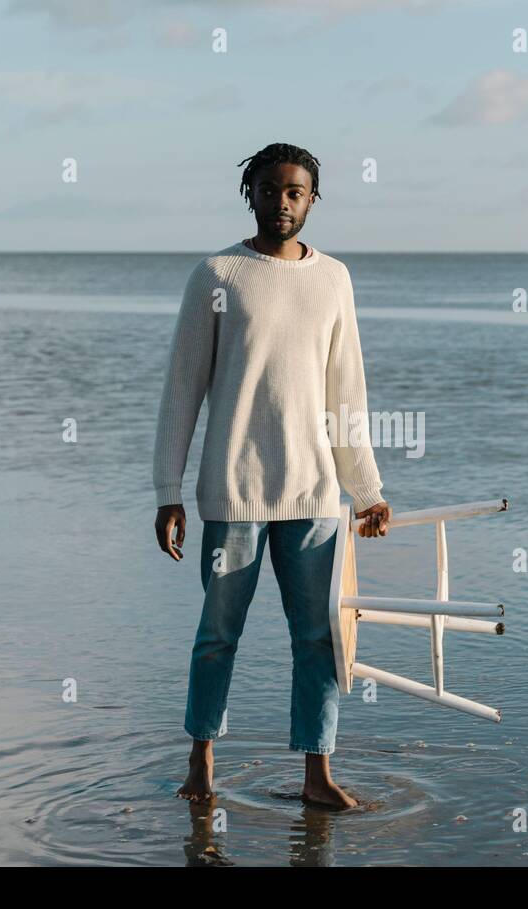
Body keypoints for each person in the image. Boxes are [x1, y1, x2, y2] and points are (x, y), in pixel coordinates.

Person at [153, 143, 392, 810]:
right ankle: (201, 764)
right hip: (234, 494)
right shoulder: (218, 275)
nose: (282, 202)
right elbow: (182, 390)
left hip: (315, 496)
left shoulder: (334, 279)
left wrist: (367, 490)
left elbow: (348, 393)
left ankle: (316, 775)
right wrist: (167, 491)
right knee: (217, 636)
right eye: (270, 189)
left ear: (313, 200)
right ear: (249, 192)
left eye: (296, 192)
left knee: (319, 637)